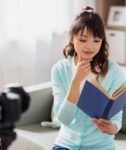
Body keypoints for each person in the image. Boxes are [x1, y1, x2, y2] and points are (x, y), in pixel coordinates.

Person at [51, 6, 126, 150]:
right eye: (83, 39)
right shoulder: (60, 70)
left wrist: (112, 128)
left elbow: (117, 118)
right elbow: (64, 119)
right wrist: (76, 81)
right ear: (72, 38)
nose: (90, 47)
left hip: (101, 146)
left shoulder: (113, 70)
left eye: (96, 41)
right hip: (66, 145)